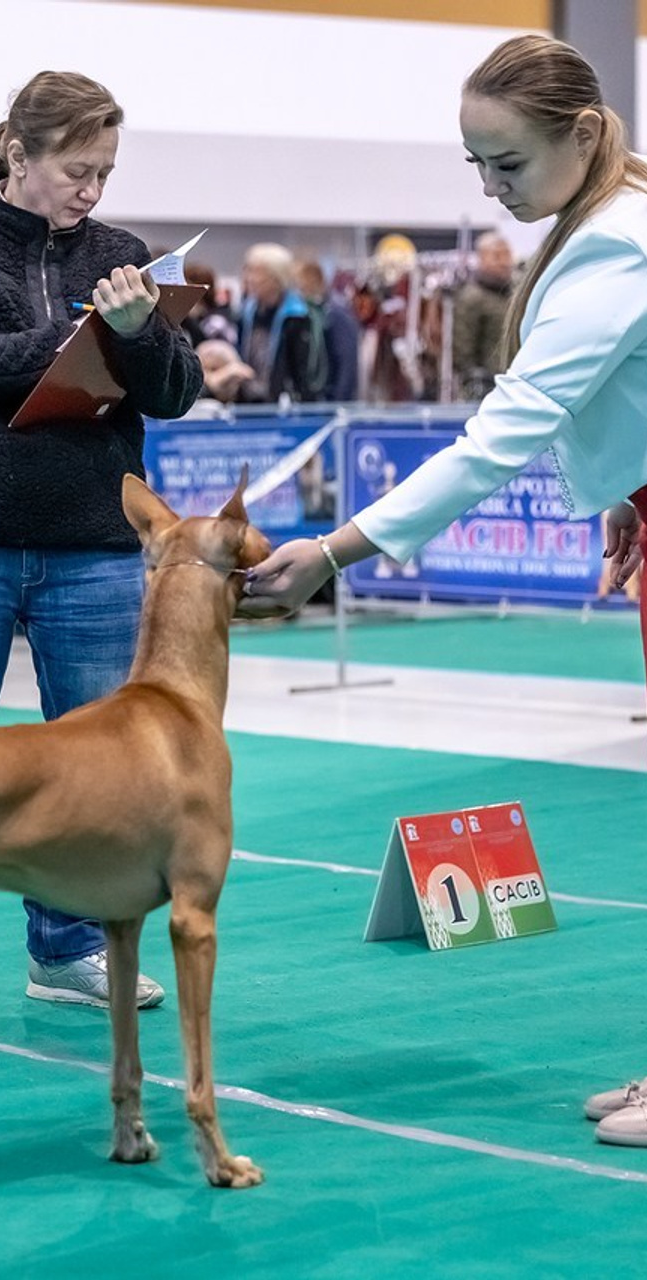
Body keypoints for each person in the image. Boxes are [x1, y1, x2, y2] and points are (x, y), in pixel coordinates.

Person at [242, 34, 647, 1147]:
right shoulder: (601, 221)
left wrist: (332, 549)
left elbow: (493, 441)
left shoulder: (615, 244)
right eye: (473, 164)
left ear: (577, 135)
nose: (486, 187)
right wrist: (627, 492)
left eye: (503, 163)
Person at [0, 70, 202, 1028]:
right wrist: (79, 333)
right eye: (76, 169)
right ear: (16, 155)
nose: (92, 192)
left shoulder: (120, 256)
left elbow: (176, 391)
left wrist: (141, 329)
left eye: (105, 172)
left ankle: (68, 950)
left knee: (98, 766)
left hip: (92, 547)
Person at [232, 242, 327, 404]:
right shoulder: (245, 313)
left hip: (283, 405)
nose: (250, 278)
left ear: (277, 278)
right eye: (249, 270)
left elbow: (305, 372)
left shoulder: (299, 316)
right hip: (247, 401)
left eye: (258, 272)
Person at [451, 231, 515, 400]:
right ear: (481, 259)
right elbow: (462, 347)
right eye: (496, 256)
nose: (504, 262)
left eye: (507, 255)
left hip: (516, 382)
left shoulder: (516, 293)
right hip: (487, 387)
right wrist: (474, 379)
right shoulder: (472, 298)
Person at [292, 256, 360, 402]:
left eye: (301, 282)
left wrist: (338, 402)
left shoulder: (336, 314)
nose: (299, 289)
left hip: (332, 400)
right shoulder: (307, 313)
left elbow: (346, 362)